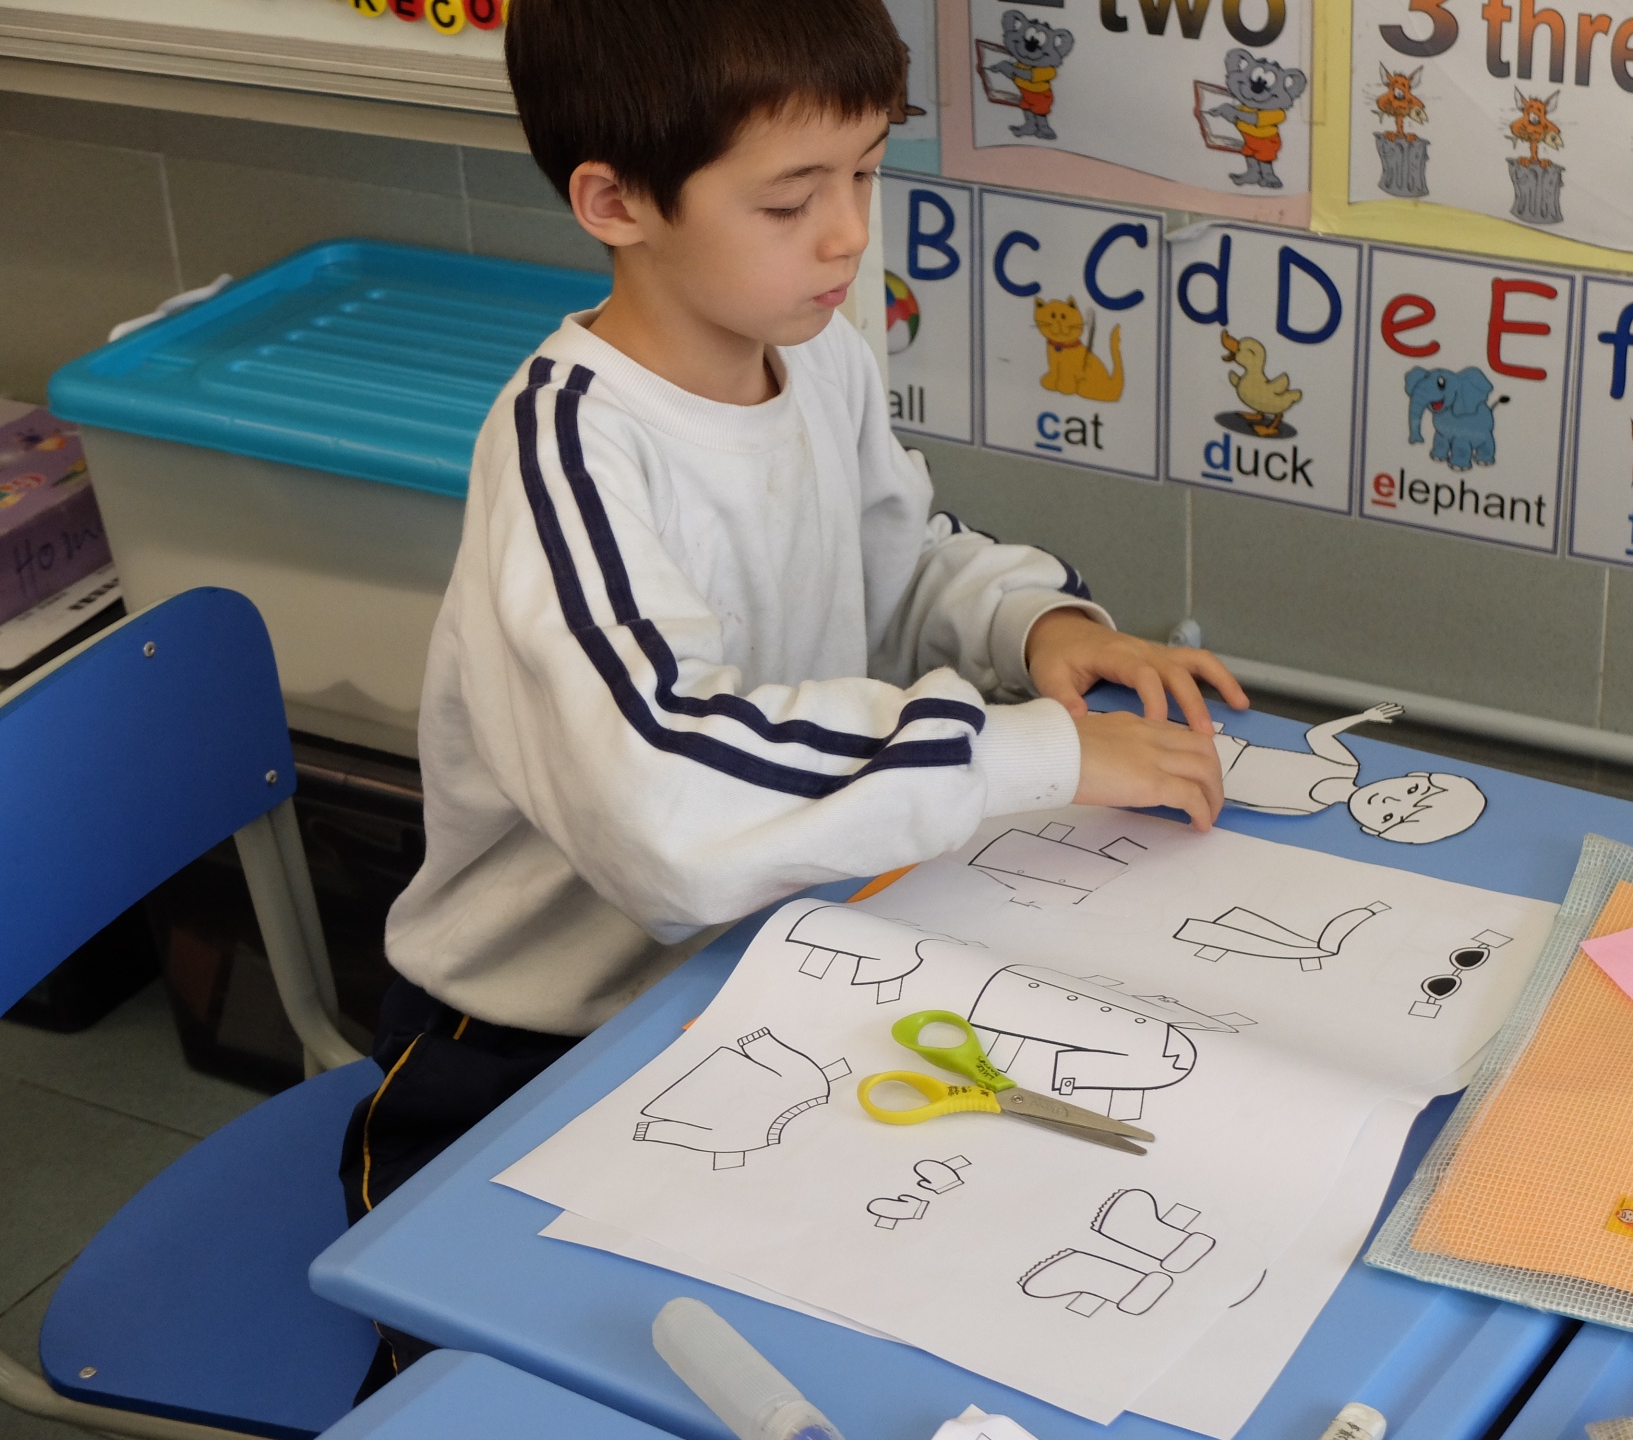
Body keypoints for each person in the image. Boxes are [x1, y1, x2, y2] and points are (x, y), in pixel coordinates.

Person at [337, 0, 1246, 1395]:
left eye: (866, 173)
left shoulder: (812, 353)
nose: (846, 237)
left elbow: (894, 563)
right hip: (530, 1056)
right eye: (789, 200)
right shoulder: (570, 456)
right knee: (530, 1391)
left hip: (758, 990)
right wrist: (1035, 755)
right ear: (615, 202)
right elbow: (669, 806)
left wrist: (1035, 625)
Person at [1214, 703, 1487, 843]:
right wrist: (1364, 716)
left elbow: (1242, 805)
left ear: (1372, 829)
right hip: (1221, 747)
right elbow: (1317, 734)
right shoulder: (1345, 766)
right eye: (1411, 791)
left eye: (1390, 817)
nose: (1389, 801)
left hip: (1207, 781)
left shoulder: (1306, 811)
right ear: (1414, 775)